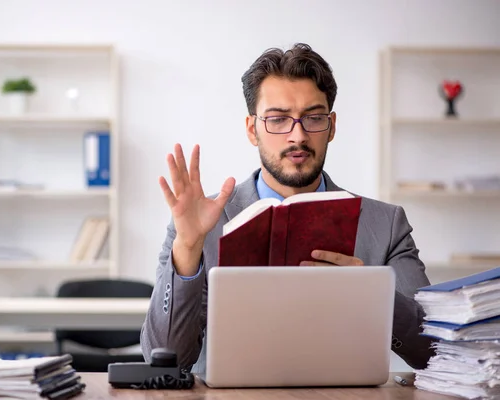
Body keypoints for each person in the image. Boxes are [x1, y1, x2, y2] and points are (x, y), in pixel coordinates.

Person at [140, 43, 435, 374]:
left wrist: (371, 295)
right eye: (278, 119)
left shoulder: (386, 224)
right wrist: (188, 247)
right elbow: (163, 361)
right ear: (253, 129)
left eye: (314, 118)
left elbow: (433, 352)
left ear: (332, 126)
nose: (298, 135)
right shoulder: (197, 225)